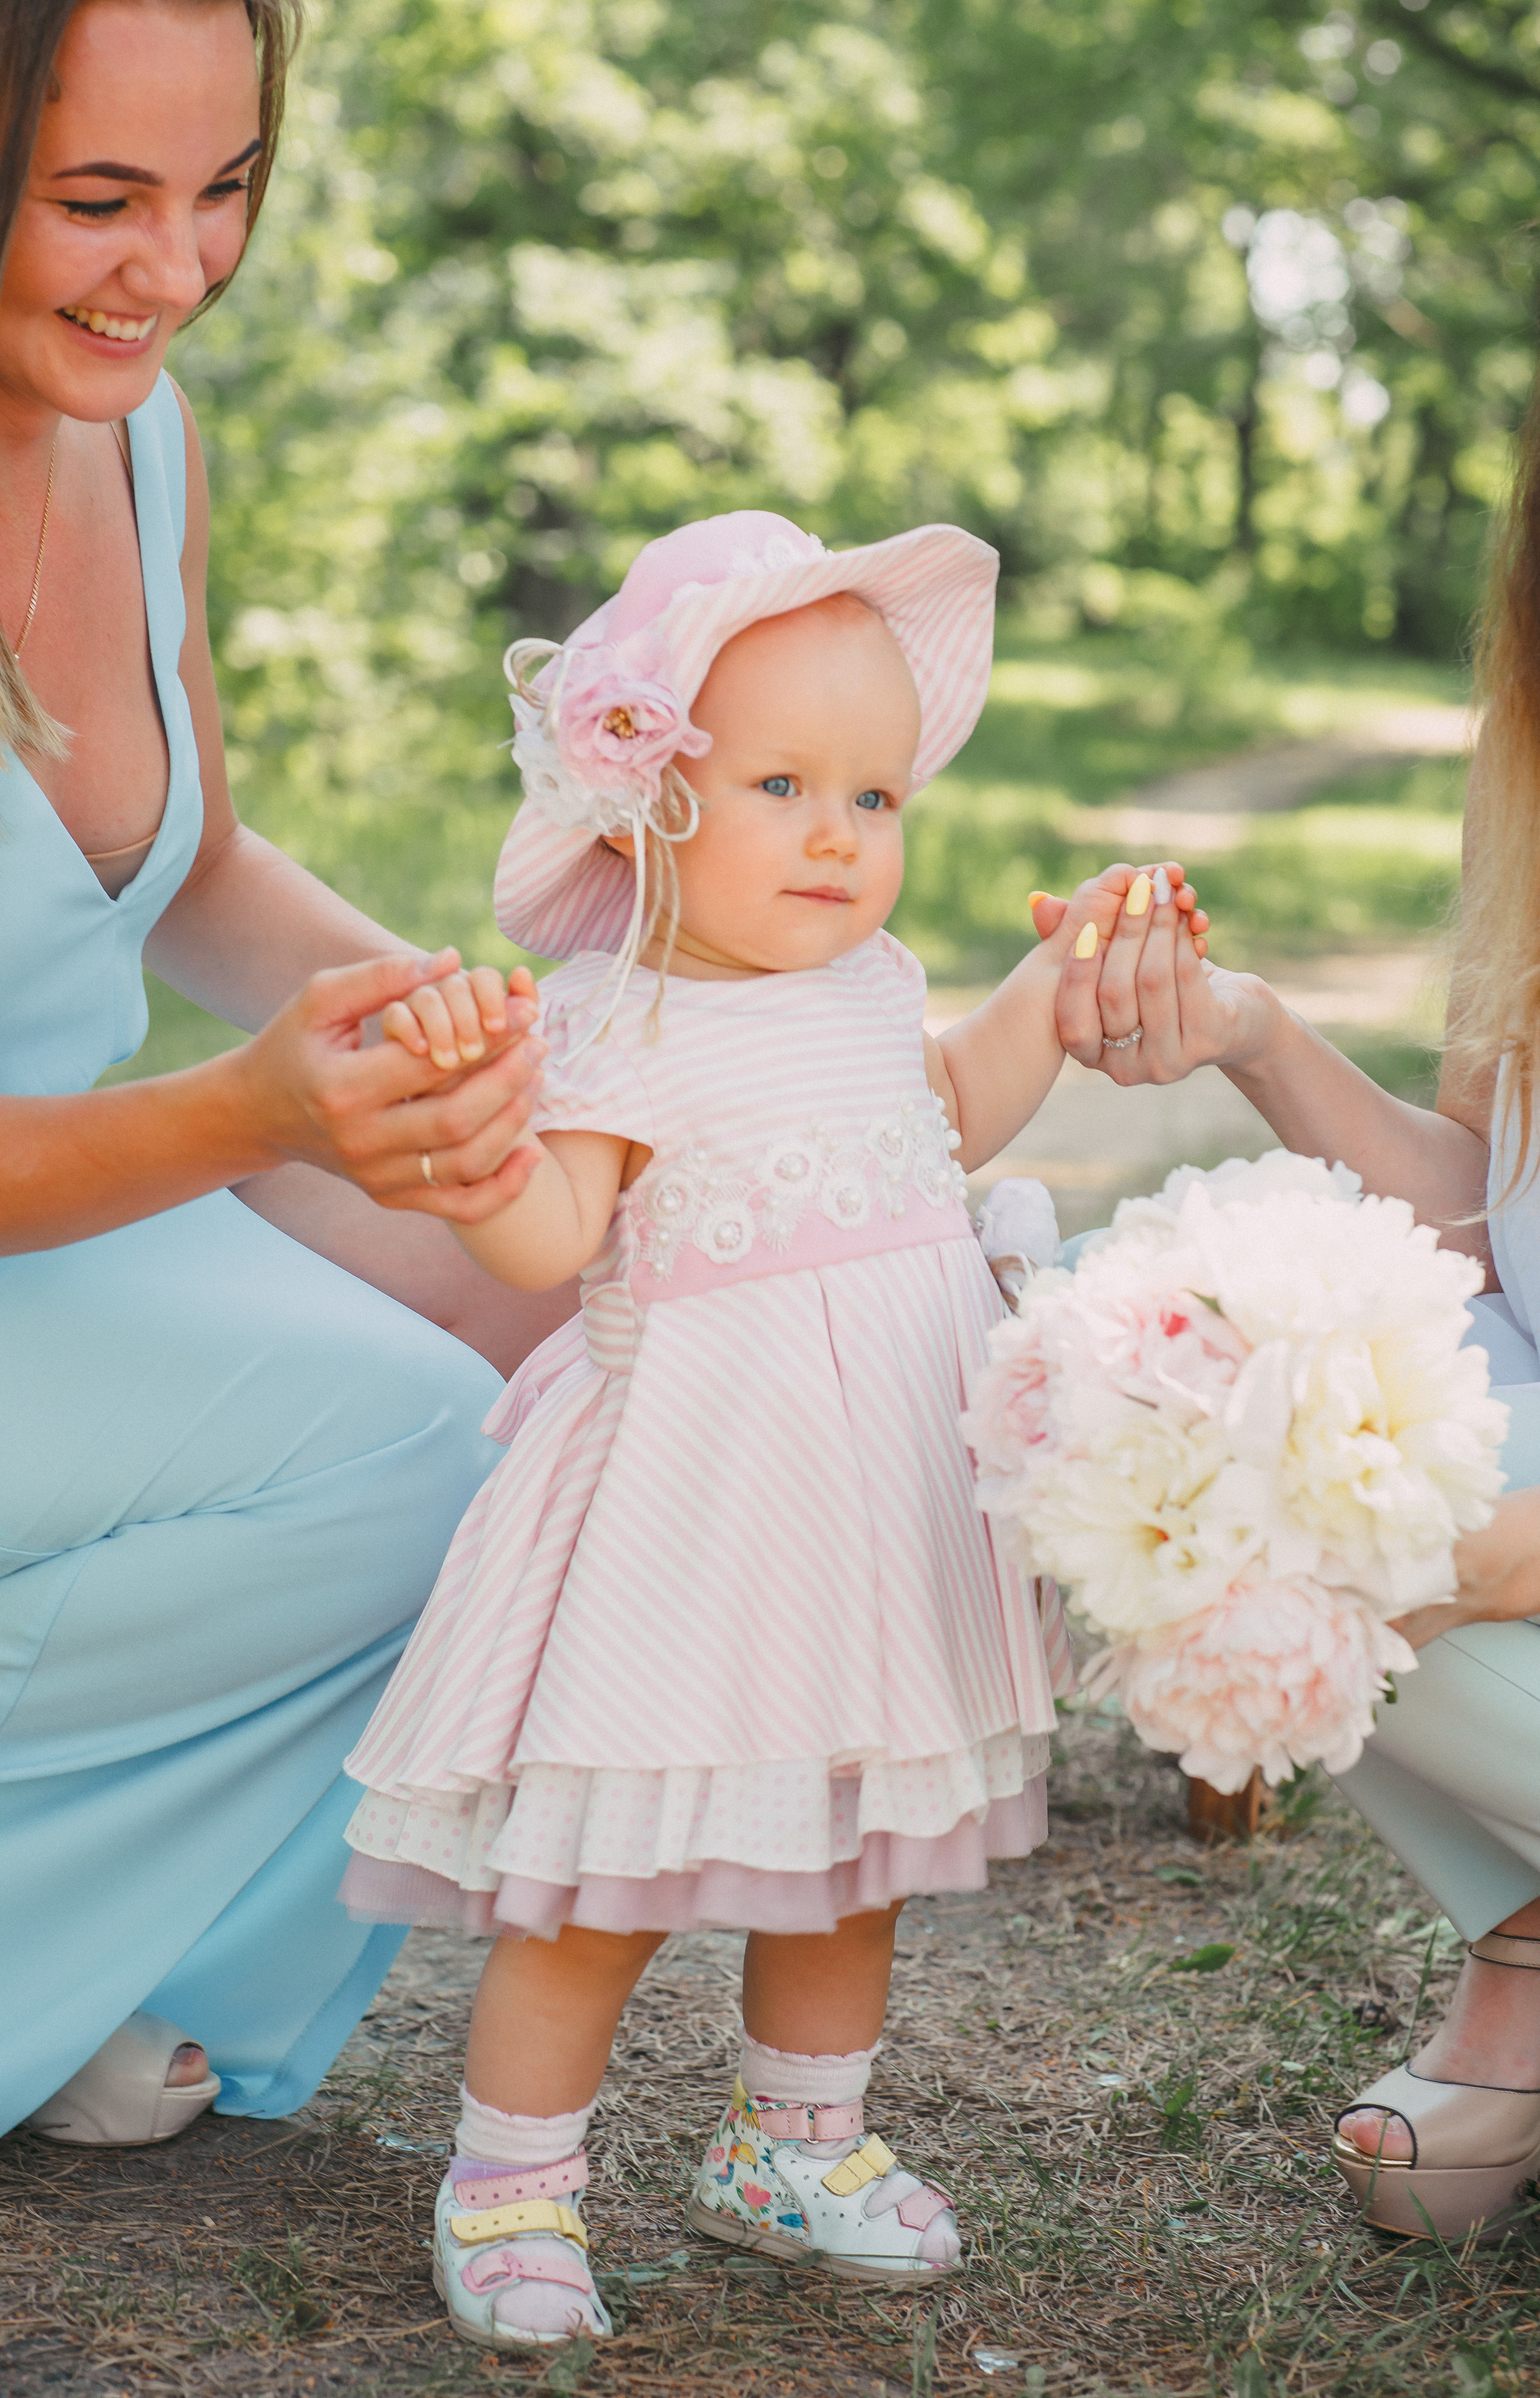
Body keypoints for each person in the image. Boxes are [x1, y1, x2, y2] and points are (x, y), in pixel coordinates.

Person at [334, 508, 1210, 2348]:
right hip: (693, 1517)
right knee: (602, 1885)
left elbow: (953, 1112)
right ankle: (512, 2180)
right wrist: (481, 1154)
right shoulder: (617, 1019)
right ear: (643, 805)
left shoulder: (874, 987)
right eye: (785, 786)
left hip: (872, 1510)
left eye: (876, 798)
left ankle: (795, 2145)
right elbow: (554, 1240)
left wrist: (1053, 987)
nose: (838, 836)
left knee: (850, 1857)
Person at [1, 0, 570, 2146]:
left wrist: (477, 1027)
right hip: (62, 1197)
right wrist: (253, 1113)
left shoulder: (141, 439)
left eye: (221, 188)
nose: (174, 270)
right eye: (98, 200)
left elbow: (199, 870)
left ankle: (99, 1945)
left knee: (553, 1306)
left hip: (86, 1209)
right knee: (416, 1449)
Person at [1027, 218, 1540, 2249]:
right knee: (1179, 1419)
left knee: (1322, 1509)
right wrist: (1254, 1036)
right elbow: (1500, 1223)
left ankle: (1538, 1957)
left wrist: (1488, 1546)